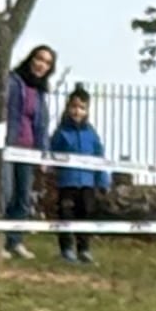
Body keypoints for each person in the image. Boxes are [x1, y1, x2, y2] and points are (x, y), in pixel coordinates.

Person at [1, 42, 57, 256]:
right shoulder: (13, 82)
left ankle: (14, 242)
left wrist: (44, 155)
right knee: (5, 193)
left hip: (29, 150)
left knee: (23, 198)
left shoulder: (41, 93)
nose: (42, 65)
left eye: (47, 63)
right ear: (31, 59)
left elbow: (42, 126)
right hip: (8, 146)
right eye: (39, 59)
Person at [50, 81, 108, 264]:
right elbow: (52, 155)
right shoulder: (60, 133)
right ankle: (66, 249)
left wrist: (103, 181)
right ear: (68, 108)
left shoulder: (92, 134)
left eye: (82, 108)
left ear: (87, 110)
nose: (77, 111)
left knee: (86, 215)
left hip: (87, 184)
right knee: (66, 216)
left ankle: (84, 249)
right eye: (74, 107)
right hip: (67, 183)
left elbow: (99, 157)